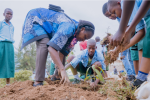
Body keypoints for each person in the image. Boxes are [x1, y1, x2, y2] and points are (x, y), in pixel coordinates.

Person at [21, 7, 95, 86]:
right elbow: (51, 48)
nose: (84, 40)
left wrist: (59, 68)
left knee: (61, 49)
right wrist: (62, 69)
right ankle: (38, 81)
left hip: (48, 28)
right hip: (37, 19)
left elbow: (63, 51)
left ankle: (56, 76)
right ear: (82, 29)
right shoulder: (68, 28)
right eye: (85, 37)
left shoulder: (74, 36)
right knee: (44, 43)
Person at [107, 0, 150, 88]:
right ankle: (141, 78)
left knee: (146, 44)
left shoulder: (125, 4)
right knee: (147, 45)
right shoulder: (124, 13)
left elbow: (140, 32)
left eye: (114, 12)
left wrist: (122, 31)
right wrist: (118, 50)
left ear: (119, 3)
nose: (114, 16)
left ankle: (141, 78)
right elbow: (136, 32)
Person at [102, 2, 138, 81]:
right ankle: (134, 75)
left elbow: (129, 30)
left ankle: (133, 74)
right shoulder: (119, 17)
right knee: (131, 55)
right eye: (108, 16)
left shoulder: (125, 11)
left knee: (129, 56)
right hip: (129, 37)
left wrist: (117, 48)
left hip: (131, 35)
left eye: (110, 14)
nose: (110, 17)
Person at [0, 8, 14, 85]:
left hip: (10, 45)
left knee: (8, 63)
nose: (9, 15)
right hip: (1, 44)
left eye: (11, 14)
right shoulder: (1, 24)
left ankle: (8, 84)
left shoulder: (12, 26)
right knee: (1, 61)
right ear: (4, 14)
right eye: (8, 13)